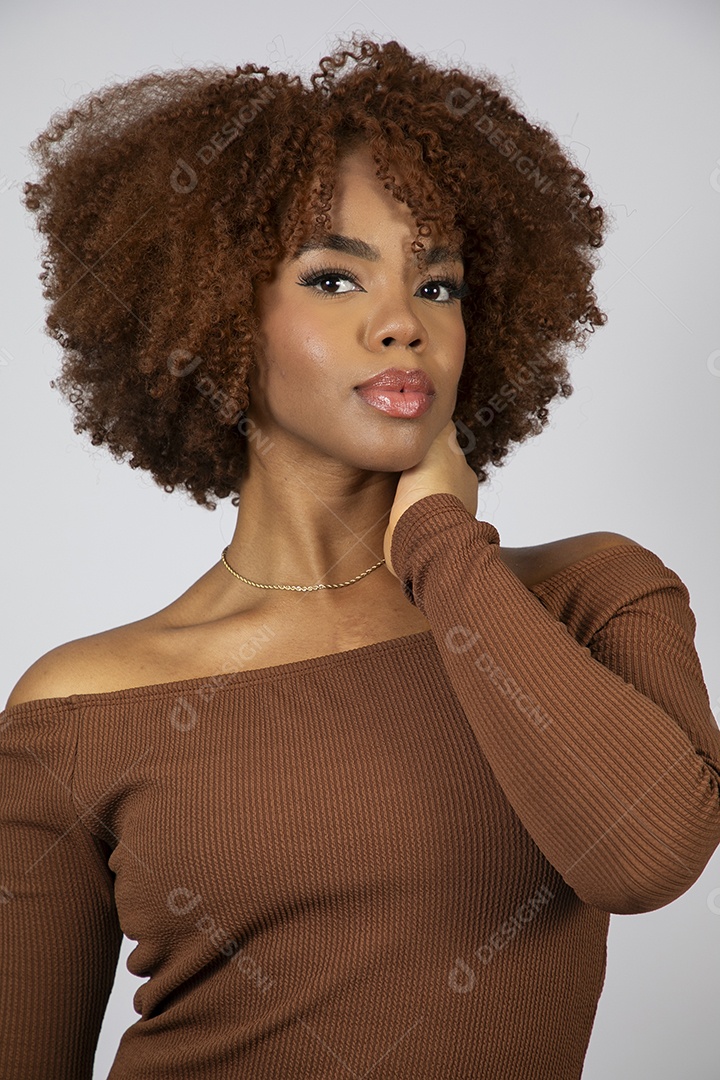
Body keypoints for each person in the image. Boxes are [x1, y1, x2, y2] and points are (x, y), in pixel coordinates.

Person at [2, 35, 720, 1080]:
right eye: (335, 278)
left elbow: (646, 856)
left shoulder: (590, 598)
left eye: (439, 287)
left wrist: (442, 548)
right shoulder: (80, 703)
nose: (401, 325)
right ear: (210, 315)